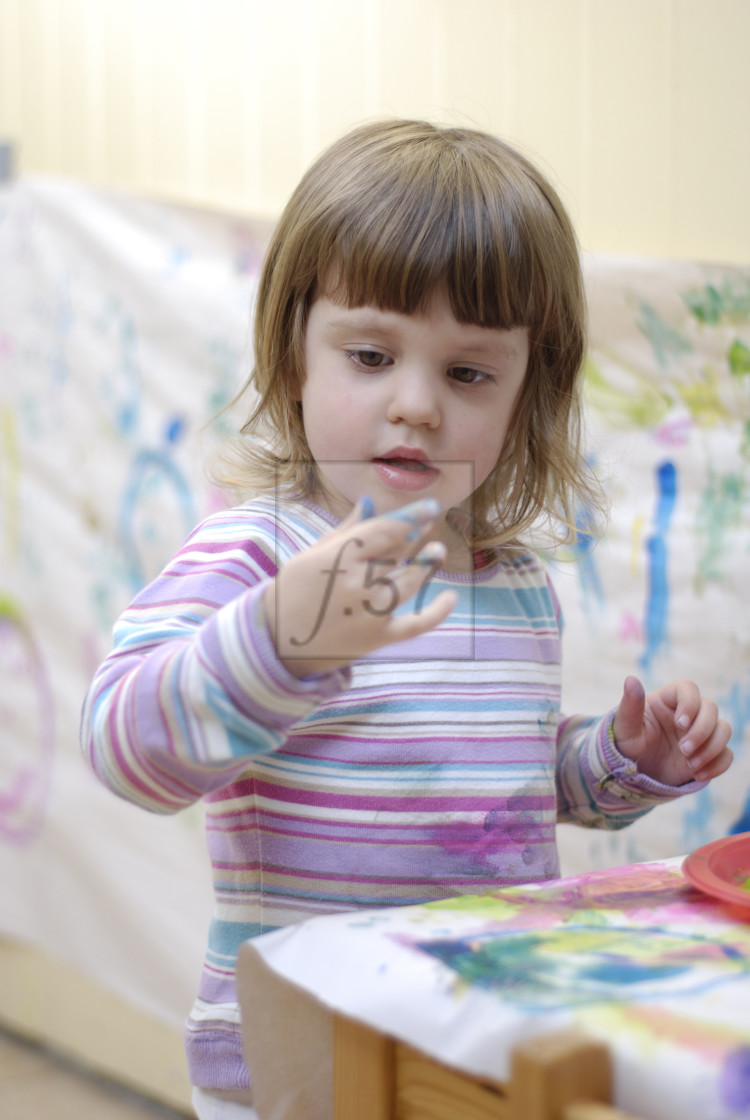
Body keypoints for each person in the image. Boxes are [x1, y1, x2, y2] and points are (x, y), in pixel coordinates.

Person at [80, 119, 733, 1120]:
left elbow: (502, 796)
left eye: (469, 373)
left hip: (478, 1042)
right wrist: (283, 638)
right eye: (373, 354)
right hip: (305, 1057)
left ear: (526, 395)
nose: (418, 404)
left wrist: (616, 761)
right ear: (295, 355)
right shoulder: (259, 556)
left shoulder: (514, 584)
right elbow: (126, 750)